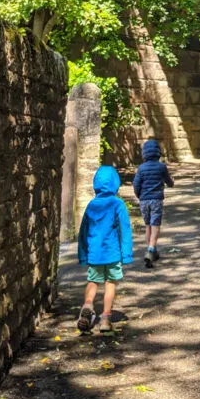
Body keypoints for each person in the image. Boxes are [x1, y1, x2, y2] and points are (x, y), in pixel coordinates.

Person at [76, 165, 133, 333]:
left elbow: (83, 232)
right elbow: (125, 230)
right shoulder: (118, 204)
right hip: (112, 253)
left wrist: (83, 254)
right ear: (115, 183)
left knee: (93, 281)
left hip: (95, 254)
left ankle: (87, 305)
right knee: (110, 283)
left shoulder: (91, 205)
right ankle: (106, 319)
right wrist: (127, 254)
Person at [132, 138, 175, 267]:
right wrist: (172, 182)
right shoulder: (161, 167)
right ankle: (150, 249)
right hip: (156, 199)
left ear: (144, 153)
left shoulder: (141, 168)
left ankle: (152, 250)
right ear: (158, 152)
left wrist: (139, 196)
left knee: (148, 225)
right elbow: (169, 182)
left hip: (144, 200)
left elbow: (136, 184)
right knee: (155, 225)